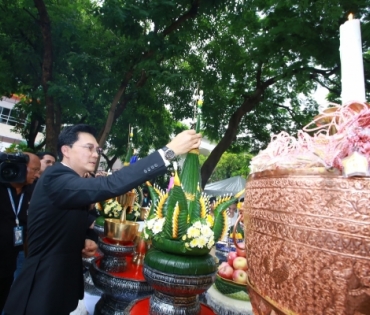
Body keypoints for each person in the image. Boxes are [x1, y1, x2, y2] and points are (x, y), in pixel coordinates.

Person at [4, 124, 201, 315]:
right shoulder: (55, 177)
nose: (96, 154)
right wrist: (168, 152)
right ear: (66, 150)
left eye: (97, 149)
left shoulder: (73, 182)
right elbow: (110, 184)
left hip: (60, 286)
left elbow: (75, 217)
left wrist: (88, 236)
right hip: (41, 286)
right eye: (88, 148)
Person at [0, 152, 40, 313]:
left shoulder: (34, 191)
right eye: (34, 170)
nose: (37, 175)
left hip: (9, 262)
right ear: (19, 168)